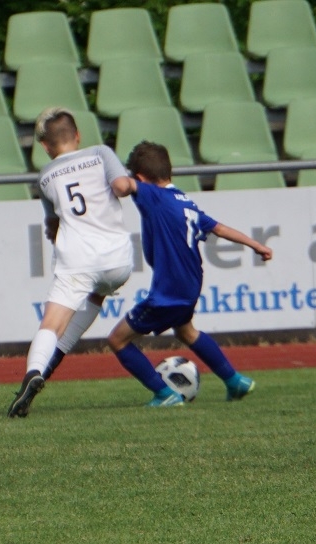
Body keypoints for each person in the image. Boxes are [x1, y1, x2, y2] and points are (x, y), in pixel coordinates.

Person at [107, 141, 272, 405]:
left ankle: (164, 394)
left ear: (140, 177)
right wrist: (256, 245)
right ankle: (235, 381)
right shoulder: (184, 201)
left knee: (118, 340)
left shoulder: (152, 195)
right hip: (190, 285)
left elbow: (124, 186)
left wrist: (113, 176)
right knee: (186, 332)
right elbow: (219, 228)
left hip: (169, 292)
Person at [7, 107, 137, 418]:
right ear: (78, 135)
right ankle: (46, 369)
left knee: (52, 324)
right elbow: (121, 187)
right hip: (118, 260)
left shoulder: (45, 176)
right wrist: (136, 185)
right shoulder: (100, 153)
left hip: (79, 260)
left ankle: (35, 372)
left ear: (45, 146)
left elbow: (52, 225)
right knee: (97, 294)